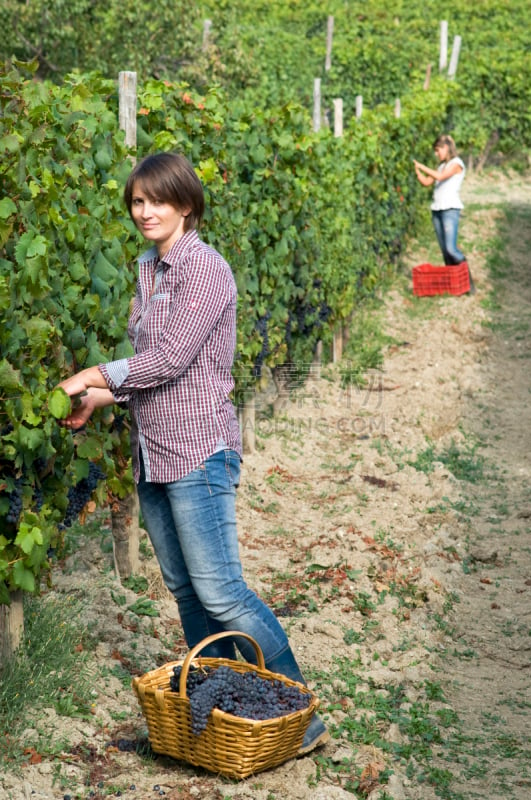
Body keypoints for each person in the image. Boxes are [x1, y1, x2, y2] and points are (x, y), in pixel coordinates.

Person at [56, 151, 329, 755]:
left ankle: (299, 709)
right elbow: (152, 372)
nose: (144, 211)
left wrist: (94, 372)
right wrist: (101, 398)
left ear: (185, 204)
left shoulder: (205, 270)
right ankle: (228, 706)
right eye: (136, 201)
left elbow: (172, 359)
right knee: (184, 589)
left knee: (222, 592)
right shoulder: (149, 270)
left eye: (156, 200)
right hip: (153, 451)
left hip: (199, 450)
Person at [413, 134, 474, 292]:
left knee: (451, 248)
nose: (436, 153)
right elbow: (427, 182)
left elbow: (440, 177)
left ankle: (468, 279)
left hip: (450, 210)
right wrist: (417, 172)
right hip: (437, 210)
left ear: (446, 148)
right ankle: (455, 284)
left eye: (437, 150)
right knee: (445, 251)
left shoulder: (456, 164)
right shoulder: (441, 166)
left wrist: (421, 166)